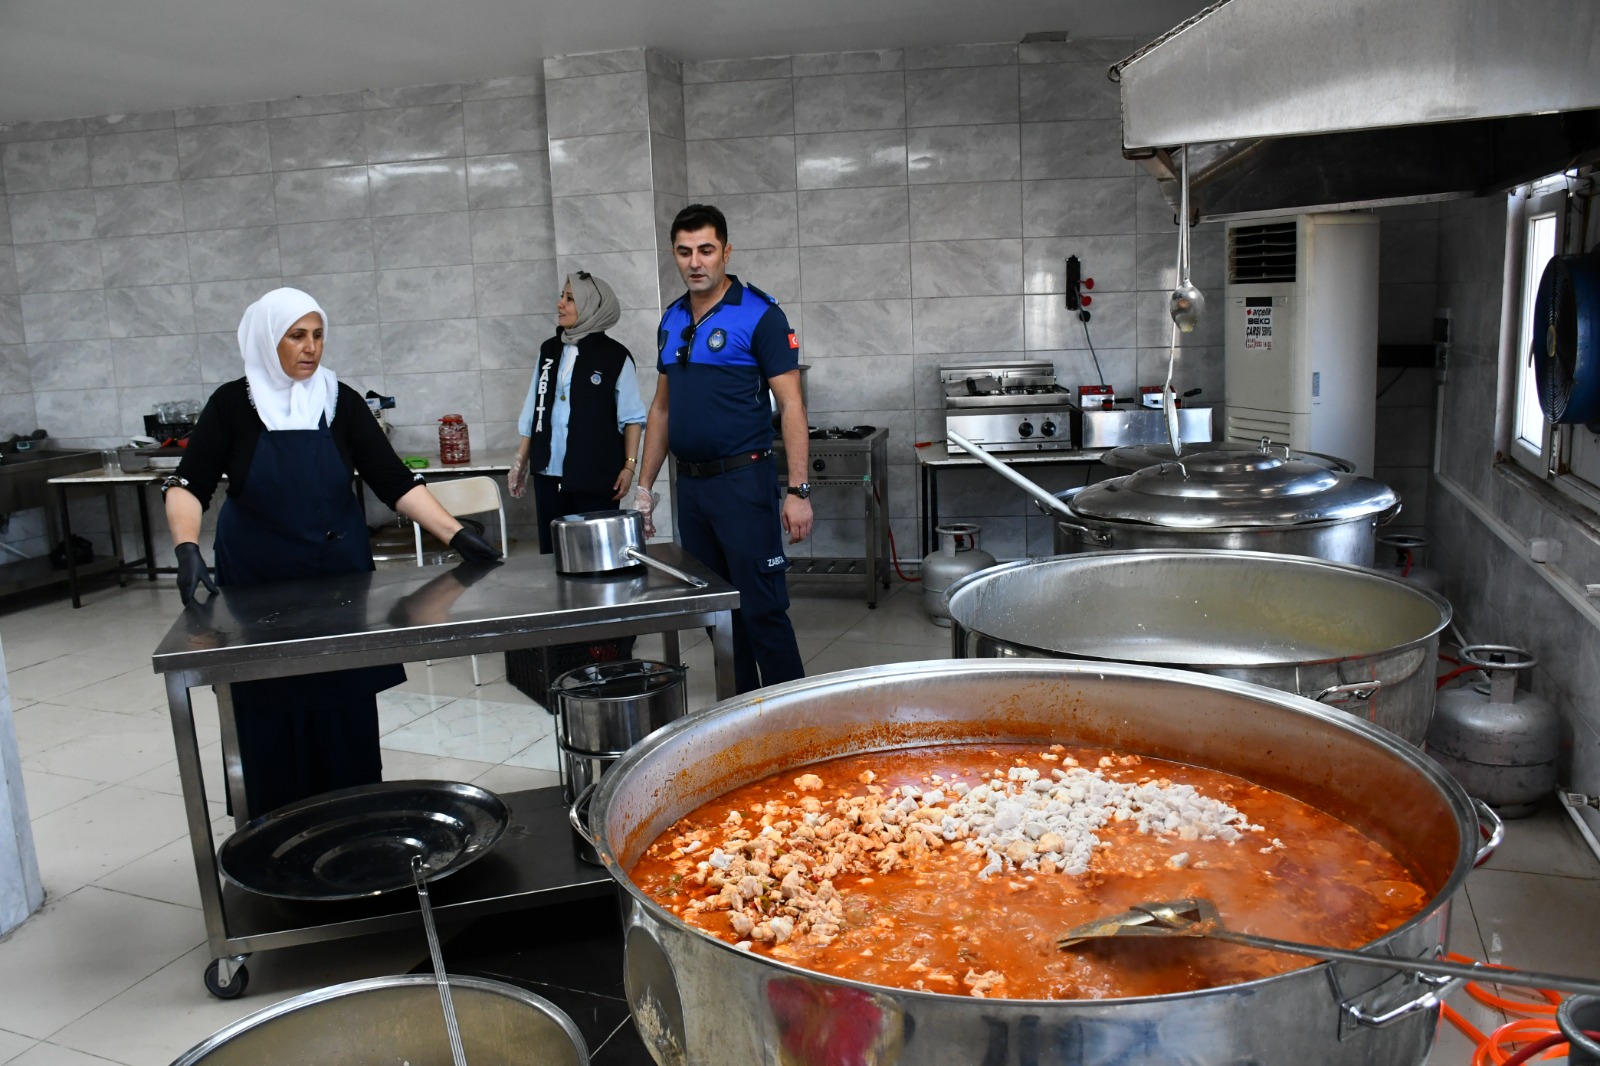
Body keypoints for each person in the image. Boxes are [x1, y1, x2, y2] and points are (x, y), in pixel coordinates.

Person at [163, 287, 501, 818]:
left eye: (318, 335)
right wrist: (186, 546)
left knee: (343, 705)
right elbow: (188, 483)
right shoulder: (233, 404)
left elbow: (392, 479)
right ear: (267, 339)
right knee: (269, 706)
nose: (311, 347)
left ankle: (354, 820)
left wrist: (455, 534)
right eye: (297, 336)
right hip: (258, 586)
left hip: (338, 582)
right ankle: (272, 828)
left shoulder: (338, 399)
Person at [634, 203, 811, 694]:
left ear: (725, 252)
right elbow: (662, 410)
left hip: (743, 485)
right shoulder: (671, 320)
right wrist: (645, 486)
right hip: (692, 490)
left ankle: (794, 729)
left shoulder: (760, 315)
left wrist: (798, 490)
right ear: (674, 254)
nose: (696, 262)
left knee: (762, 611)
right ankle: (740, 721)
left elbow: (792, 404)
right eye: (684, 252)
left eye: (706, 250)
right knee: (717, 615)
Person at [509, 271, 647, 554]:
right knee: (552, 556)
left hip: (596, 475)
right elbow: (534, 407)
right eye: (562, 296)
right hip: (548, 472)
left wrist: (629, 466)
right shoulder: (549, 350)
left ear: (591, 307)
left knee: (597, 554)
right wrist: (521, 458)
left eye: (570, 299)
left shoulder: (615, 356)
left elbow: (632, 418)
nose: (560, 303)